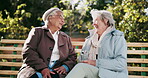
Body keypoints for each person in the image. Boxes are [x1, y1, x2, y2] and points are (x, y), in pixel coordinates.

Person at [66, 9, 128, 78]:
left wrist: (95, 63)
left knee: (81, 68)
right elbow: (82, 60)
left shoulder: (117, 37)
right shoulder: (89, 39)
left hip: (109, 75)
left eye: (96, 20)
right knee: (81, 67)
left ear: (106, 21)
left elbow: (121, 64)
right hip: (91, 74)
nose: (93, 24)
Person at [17, 8, 77, 78]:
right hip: (34, 69)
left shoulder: (65, 37)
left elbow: (72, 56)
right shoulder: (37, 32)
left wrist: (65, 67)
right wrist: (43, 68)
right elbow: (28, 51)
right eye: (60, 16)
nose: (63, 21)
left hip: (56, 72)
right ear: (50, 17)